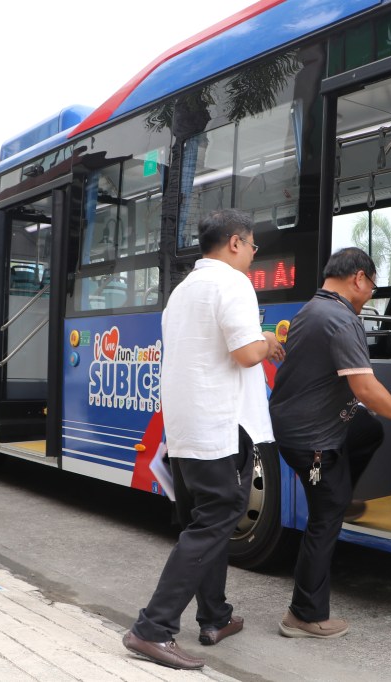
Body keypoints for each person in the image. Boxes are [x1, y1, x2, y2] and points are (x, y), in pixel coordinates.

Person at [122, 209, 285, 670]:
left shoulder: (183, 290)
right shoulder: (231, 284)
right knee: (220, 515)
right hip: (220, 424)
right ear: (234, 243)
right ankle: (153, 628)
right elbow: (245, 351)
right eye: (253, 246)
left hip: (187, 425)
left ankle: (215, 615)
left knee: (204, 516)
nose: (254, 255)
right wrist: (269, 342)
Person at [268, 247, 391, 639]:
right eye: (371, 284)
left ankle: (340, 494)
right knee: (326, 518)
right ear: (358, 278)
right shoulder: (340, 318)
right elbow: (366, 388)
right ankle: (304, 615)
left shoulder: (314, 308)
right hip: (313, 440)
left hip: (299, 425)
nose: (371, 292)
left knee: (368, 431)